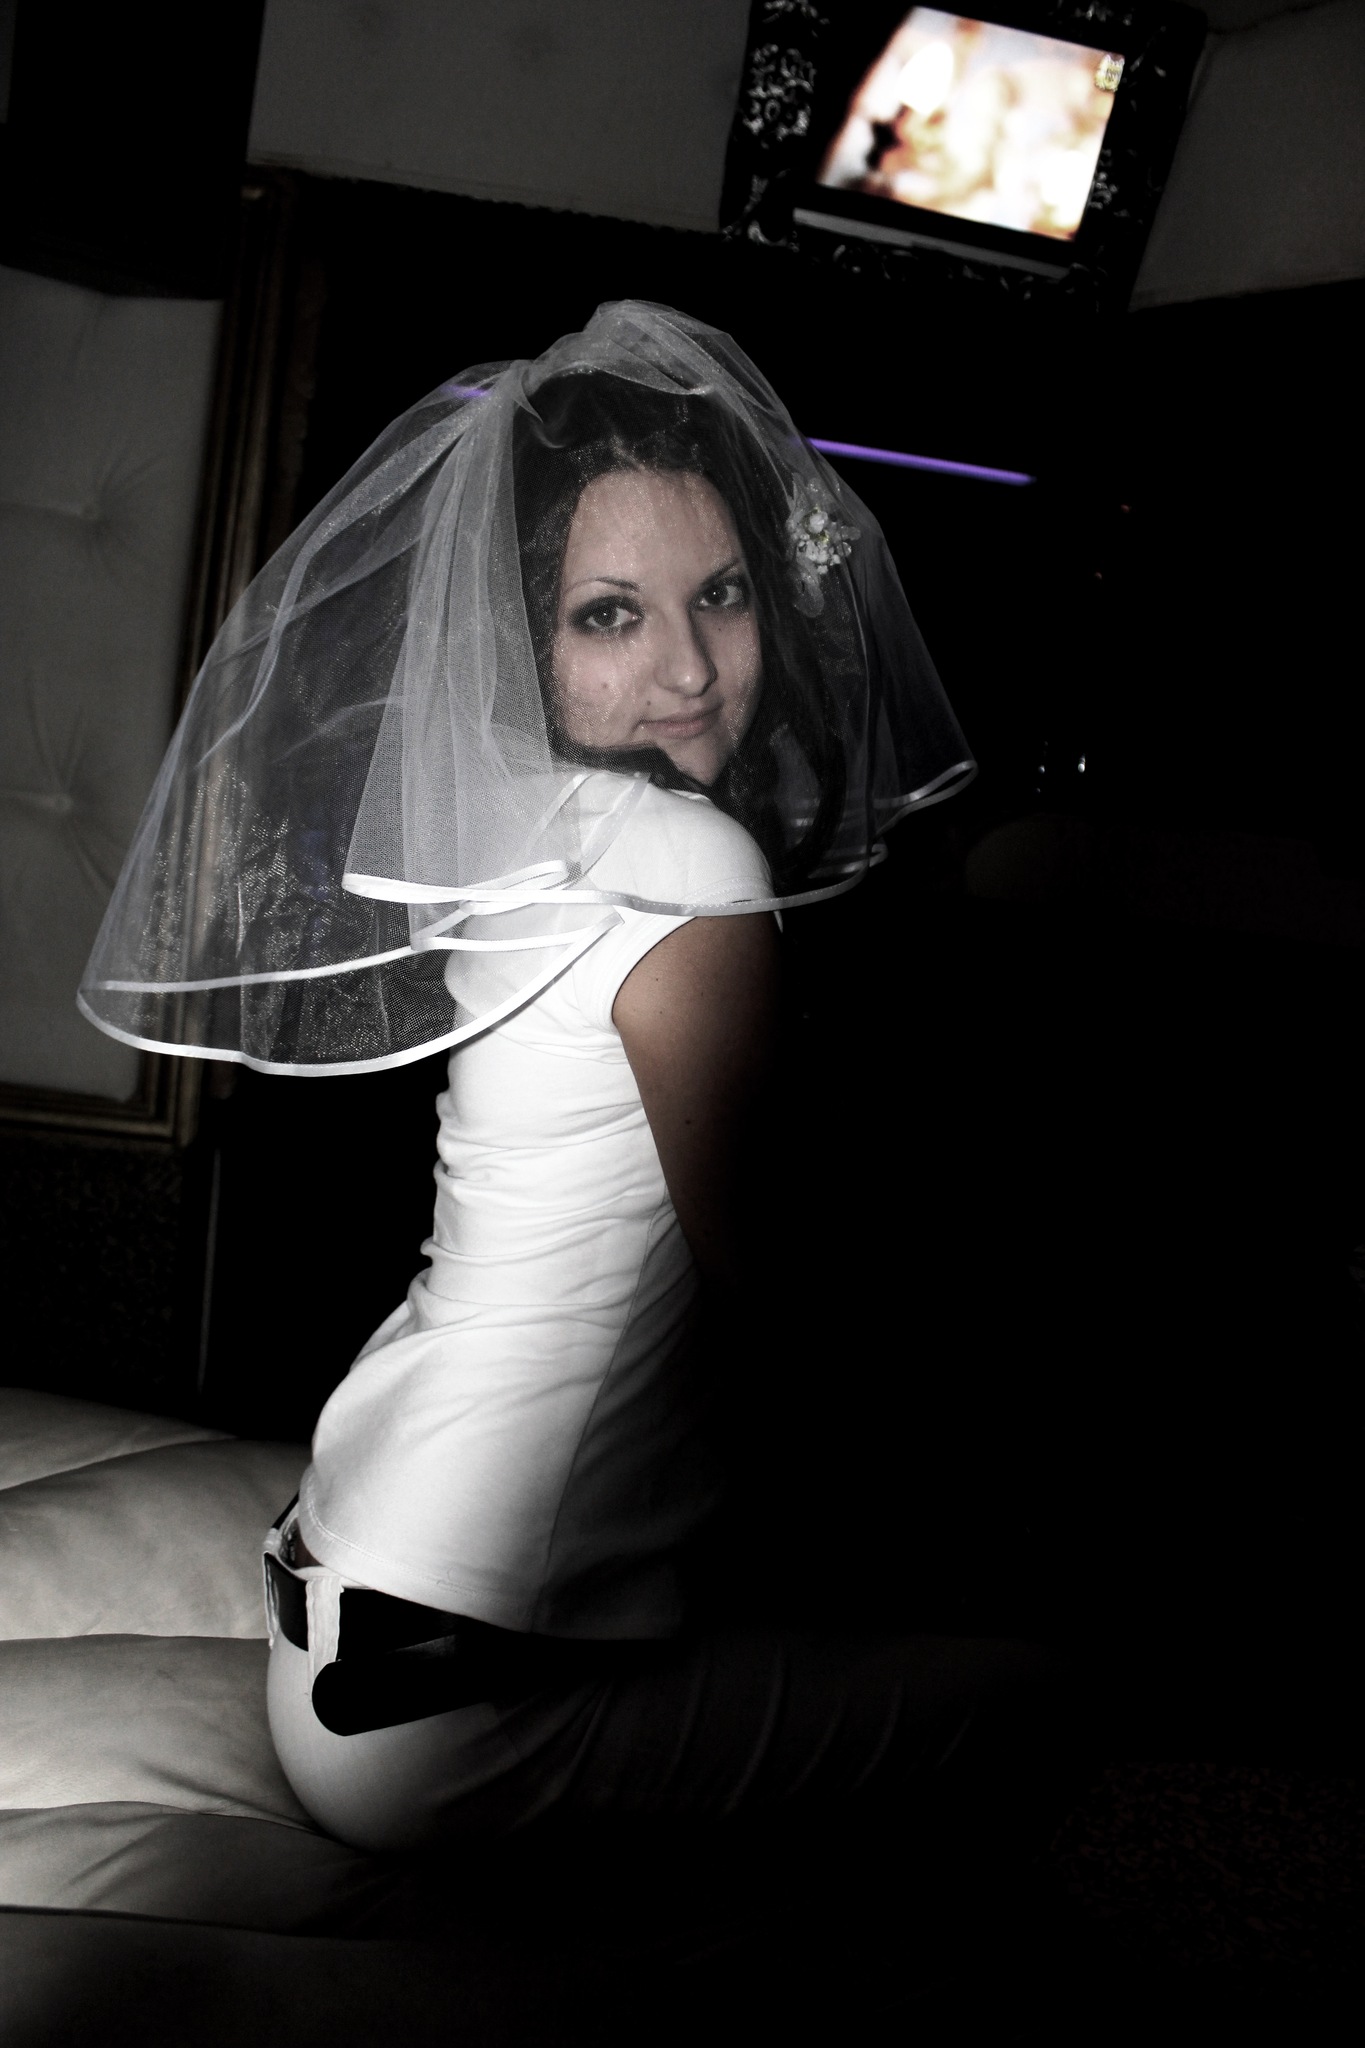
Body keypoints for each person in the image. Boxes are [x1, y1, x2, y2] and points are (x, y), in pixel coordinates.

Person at [81, 304, 1072, 1985]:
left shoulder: (507, 822)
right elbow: (781, 1308)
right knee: (1043, 1693)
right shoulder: (691, 866)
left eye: (721, 596)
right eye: (609, 615)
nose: (687, 669)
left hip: (353, 1596)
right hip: (443, 1717)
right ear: (520, 644)